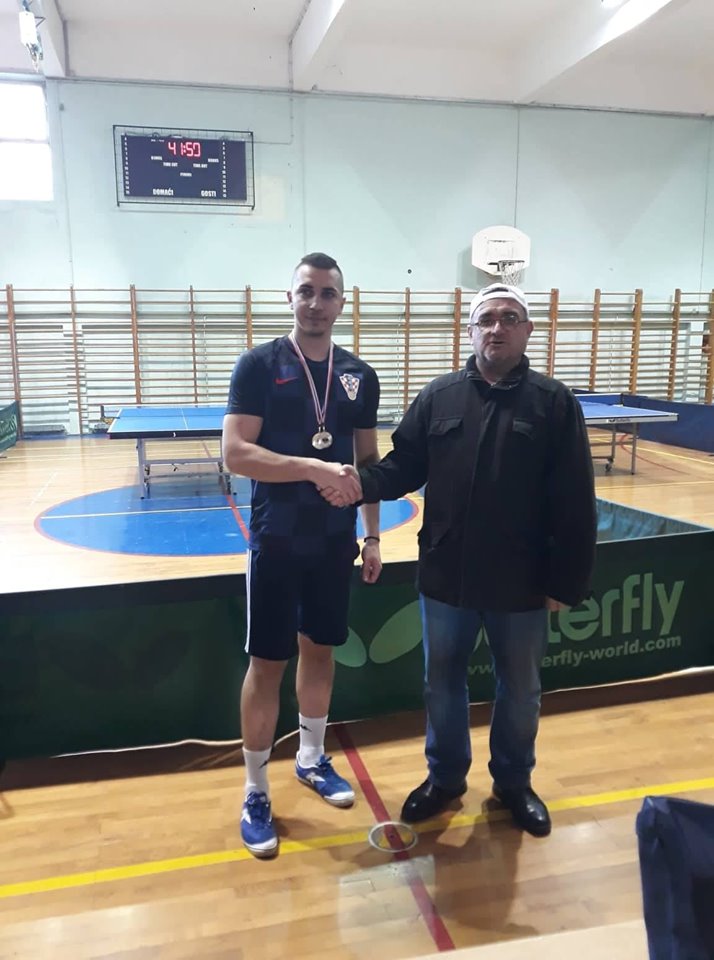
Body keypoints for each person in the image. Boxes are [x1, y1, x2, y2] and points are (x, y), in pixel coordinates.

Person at [321, 283, 597, 836]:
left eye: (510, 318)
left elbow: (575, 499)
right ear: (470, 331)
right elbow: (403, 466)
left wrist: (565, 581)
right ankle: (445, 779)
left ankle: (514, 783)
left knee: (521, 688)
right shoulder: (438, 396)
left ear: (528, 330)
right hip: (447, 576)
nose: (497, 328)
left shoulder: (554, 403)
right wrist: (358, 483)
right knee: (441, 683)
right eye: (486, 319)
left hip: (522, 581)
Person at [222, 252, 382, 858]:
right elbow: (237, 453)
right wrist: (314, 467)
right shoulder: (259, 365)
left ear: (342, 302)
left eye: (328, 293)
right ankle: (255, 790)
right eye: (306, 291)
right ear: (290, 297)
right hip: (276, 540)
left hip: (335, 542)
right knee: (267, 663)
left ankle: (311, 757)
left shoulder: (359, 375)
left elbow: (367, 463)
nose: (316, 303)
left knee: (320, 652)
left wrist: (372, 536)